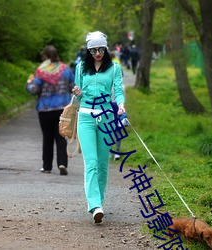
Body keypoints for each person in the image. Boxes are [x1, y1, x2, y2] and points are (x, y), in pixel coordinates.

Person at [72, 31, 125, 223]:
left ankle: (99, 201)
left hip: (107, 119)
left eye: (101, 49)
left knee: (103, 164)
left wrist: (120, 104)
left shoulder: (114, 68)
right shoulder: (80, 68)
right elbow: (78, 96)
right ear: (88, 50)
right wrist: (77, 92)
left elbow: (118, 90)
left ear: (106, 48)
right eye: (93, 50)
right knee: (91, 163)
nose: (97, 53)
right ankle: (94, 205)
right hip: (85, 118)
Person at [26, 45, 75, 175]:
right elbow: (73, 87)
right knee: (61, 137)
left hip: (45, 109)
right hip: (62, 109)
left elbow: (34, 90)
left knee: (47, 138)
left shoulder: (41, 71)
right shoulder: (66, 70)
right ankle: (62, 163)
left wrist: (29, 83)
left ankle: (47, 166)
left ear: (45, 57)